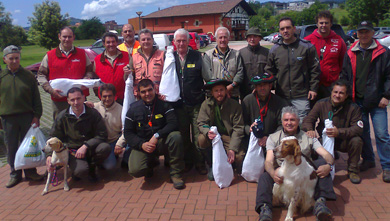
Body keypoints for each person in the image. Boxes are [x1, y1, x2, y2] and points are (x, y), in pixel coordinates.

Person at [256, 106, 336, 221]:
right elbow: (268, 161)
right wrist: (273, 173)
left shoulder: (309, 137)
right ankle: (265, 210)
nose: (289, 123)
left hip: (304, 174)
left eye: (292, 120)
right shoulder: (273, 138)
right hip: (282, 173)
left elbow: (328, 156)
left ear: (298, 121)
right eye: (286, 120)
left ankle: (320, 203)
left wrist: (329, 166)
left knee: (322, 165)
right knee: (264, 177)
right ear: (282, 121)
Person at [341, 21, 390, 183]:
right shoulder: (350, 52)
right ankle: (368, 160)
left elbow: (389, 77)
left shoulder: (383, 52)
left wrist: (387, 96)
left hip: (377, 101)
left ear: (372, 33)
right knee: (363, 133)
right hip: (357, 101)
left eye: (367, 32)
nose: (364, 35)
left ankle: (387, 166)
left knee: (382, 135)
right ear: (357, 34)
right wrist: (346, 96)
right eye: (361, 32)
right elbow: (345, 76)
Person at [123, 79, 185, 189]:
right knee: (135, 170)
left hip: (160, 142)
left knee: (176, 136)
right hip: (143, 145)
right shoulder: (133, 109)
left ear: (155, 89)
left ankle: (176, 174)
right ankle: (150, 164)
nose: (147, 94)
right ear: (138, 93)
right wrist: (141, 144)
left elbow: (173, 123)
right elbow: (128, 133)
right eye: (143, 92)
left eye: (149, 90)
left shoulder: (164, 105)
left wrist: (157, 135)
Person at [302, 80, 363, 184]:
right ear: (331, 92)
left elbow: (358, 128)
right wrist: (310, 130)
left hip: (343, 140)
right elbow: (308, 120)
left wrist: (339, 132)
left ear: (346, 95)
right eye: (335, 92)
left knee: (357, 141)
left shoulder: (353, 108)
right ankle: (314, 167)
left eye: (341, 93)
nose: (337, 95)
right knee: (309, 140)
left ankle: (353, 170)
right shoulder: (321, 103)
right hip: (323, 140)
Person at [0, 45, 43, 188]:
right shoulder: (2, 77)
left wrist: (37, 115)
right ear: (4, 59)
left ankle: (30, 171)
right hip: (8, 118)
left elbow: (36, 98)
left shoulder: (28, 75)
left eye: (17, 58)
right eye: (11, 58)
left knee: (30, 146)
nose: (14, 61)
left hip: (27, 117)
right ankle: (15, 174)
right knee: (11, 146)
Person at [48, 87, 111, 182]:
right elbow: (53, 137)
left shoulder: (93, 114)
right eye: (72, 100)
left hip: (91, 148)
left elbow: (102, 134)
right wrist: (49, 155)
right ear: (68, 101)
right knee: (80, 171)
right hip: (73, 151)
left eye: (78, 98)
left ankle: (92, 168)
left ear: (83, 98)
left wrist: (86, 145)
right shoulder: (62, 116)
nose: (76, 102)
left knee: (105, 147)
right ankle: (77, 169)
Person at [265, 17, 320, 122]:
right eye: (282, 29)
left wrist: (313, 88)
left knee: (302, 125)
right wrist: (272, 86)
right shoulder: (274, 50)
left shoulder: (306, 47)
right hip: (282, 96)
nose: (285, 31)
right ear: (280, 31)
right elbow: (269, 71)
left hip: (301, 95)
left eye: (288, 28)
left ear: (294, 29)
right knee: (285, 125)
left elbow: (315, 69)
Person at [171, 28, 209, 174]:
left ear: (188, 41)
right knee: (183, 135)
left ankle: (200, 162)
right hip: (179, 104)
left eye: (184, 40)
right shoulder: (170, 58)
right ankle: (187, 162)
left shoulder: (198, 56)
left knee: (198, 135)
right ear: (174, 42)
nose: (181, 43)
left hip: (196, 103)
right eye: (178, 41)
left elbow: (207, 77)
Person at [37, 26, 93, 119]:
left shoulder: (82, 53)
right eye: (64, 36)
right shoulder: (50, 55)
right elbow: (41, 75)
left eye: (69, 37)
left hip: (79, 99)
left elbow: (90, 71)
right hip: (59, 100)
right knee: (60, 126)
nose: (67, 39)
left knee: (81, 124)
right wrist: (50, 90)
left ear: (73, 37)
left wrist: (86, 80)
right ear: (59, 37)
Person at [197, 79, 245, 180]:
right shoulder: (206, 105)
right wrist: (207, 132)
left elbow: (238, 128)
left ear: (226, 90)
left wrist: (232, 149)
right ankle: (211, 164)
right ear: (212, 93)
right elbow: (201, 123)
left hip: (228, 136)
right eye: (216, 91)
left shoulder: (235, 105)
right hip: (213, 137)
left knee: (239, 156)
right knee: (201, 139)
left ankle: (230, 165)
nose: (219, 93)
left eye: (222, 90)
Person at [304, 10, 347, 103]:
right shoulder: (307, 41)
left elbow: (343, 63)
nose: (323, 25)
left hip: (330, 85)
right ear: (317, 24)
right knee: (311, 113)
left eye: (326, 23)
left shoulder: (338, 40)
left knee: (330, 114)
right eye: (321, 23)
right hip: (312, 85)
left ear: (331, 24)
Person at [85, 83, 127, 170]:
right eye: (104, 96)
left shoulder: (121, 110)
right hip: (100, 142)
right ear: (100, 96)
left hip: (114, 141)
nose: (107, 99)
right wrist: (84, 103)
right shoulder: (94, 107)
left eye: (110, 96)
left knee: (110, 166)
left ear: (114, 96)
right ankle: (98, 160)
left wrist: (119, 144)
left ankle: (114, 155)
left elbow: (126, 130)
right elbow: (76, 106)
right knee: (107, 164)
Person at [241, 74, 289, 148]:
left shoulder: (279, 102)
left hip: (274, 140)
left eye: (265, 85)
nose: (262, 88)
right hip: (251, 140)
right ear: (255, 87)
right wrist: (249, 129)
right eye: (259, 85)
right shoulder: (247, 101)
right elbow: (242, 123)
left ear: (270, 86)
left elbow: (281, 125)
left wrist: (270, 138)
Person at [203, 27, 244, 100]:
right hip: (214, 95)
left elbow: (240, 72)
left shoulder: (236, 54)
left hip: (232, 94)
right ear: (216, 39)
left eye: (225, 37)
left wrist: (230, 86)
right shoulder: (208, 55)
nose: (223, 40)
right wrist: (221, 90)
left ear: (228, 38)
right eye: (220, 37)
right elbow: (207, 75)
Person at [127, 29, 165, 98]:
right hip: (141, 97)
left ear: (152, 40)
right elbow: (128, 79)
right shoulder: (134, 57)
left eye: (148, 39)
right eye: (143, 39)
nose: (146, 41)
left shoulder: (162, 55)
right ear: (139, 41)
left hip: (158, 96)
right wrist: (126, 73)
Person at [94, 32, 130, 105]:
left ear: (117, 42)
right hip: (105, 99)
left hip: (123, 98)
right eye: (108, 42)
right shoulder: (97, 59)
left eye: (113, 42)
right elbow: (94, 79)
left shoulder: (126, 56)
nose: (111, 44)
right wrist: (98, 95)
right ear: (104, 44)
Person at [239, 27, 269, 99]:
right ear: (246, 39)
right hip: (246, 91)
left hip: (263, 90)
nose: (252, 39)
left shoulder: (267, 53)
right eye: (249, 37)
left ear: (260, 38)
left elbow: (269, 71)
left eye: (255, 36)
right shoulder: (240, 53)